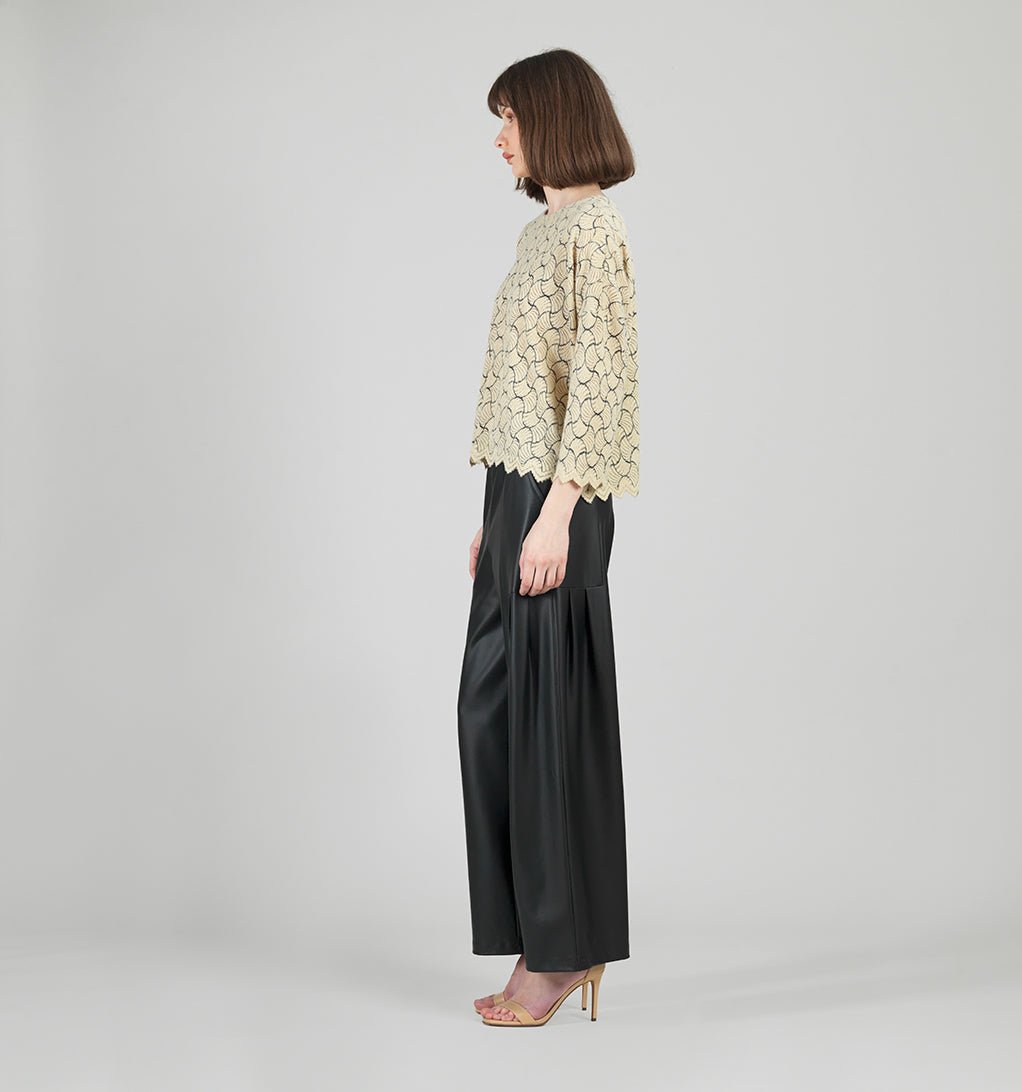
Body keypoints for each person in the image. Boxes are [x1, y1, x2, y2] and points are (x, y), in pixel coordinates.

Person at [457, 48, 640, 1029]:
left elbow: (602, 381)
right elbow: (532, 380)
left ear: (554, 119)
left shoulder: (596, 231)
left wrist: (556, 513)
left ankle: (562, 954)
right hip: (516, 493)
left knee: (548, 725)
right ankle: (542, 934)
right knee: (492, 711)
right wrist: (497, 521)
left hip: (558, 497)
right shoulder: (544, 233)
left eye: (512, 119)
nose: (500, 138)